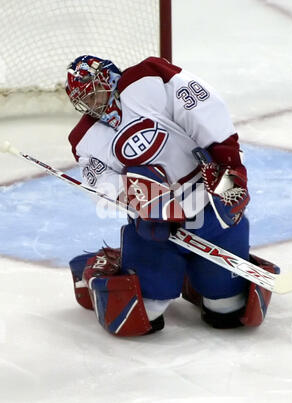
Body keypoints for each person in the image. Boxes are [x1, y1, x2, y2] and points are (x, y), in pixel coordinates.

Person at [66, 55, 278, 337]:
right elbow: (101, 184)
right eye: (84, 98)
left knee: (227, 307)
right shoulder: (84, 139)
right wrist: (139, 203)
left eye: (94, 91)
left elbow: (202, 108)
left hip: (206, 195)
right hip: (155, 223)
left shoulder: (148, 78)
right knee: (148, 311)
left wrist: (230, 168)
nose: (92, 102)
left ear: (109, 77)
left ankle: (197, 274)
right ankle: (102, 269)